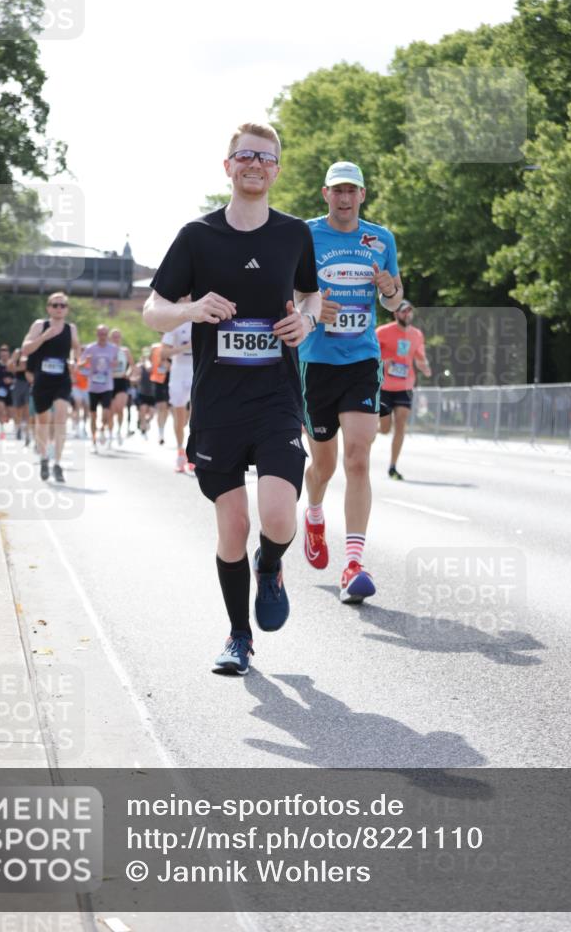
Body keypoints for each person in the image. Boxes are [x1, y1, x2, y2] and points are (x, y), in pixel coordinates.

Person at [143, 122, 320, 675]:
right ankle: (239, 636)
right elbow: (152, 310)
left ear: (277, 170)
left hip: (277, 398)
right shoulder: (197, 236)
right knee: (233, 527)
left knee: (279, 518)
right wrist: (192, 310)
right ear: (228, 166)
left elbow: (311, 294)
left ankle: (271, 565)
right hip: (217, 404)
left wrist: (307, 322)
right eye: (245, 155)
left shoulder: (294, 234)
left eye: (265, 158)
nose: (255, 164)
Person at [298, 161, 404, 604]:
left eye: (351, 191)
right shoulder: (304, 235)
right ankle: (314, 514)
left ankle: (354, 564)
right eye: (337, 190)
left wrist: (389, 289)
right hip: (316, 362)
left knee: (358, 458)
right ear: (326, 194)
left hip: (361, 358)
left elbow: (395, 299)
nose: (344, 198)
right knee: (323, 467)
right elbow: (287, 293)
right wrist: (310, 308)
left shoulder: (381, 239)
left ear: (362, 195)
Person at [21, 292, 80, 482]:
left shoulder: (71, 329)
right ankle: (44, 458)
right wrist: (43, 338)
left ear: (67, 309)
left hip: (62, 379)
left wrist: (75, 362)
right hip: (42, 379)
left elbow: (76, 348)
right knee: (43, 421)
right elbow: (25, 349)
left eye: (63, 305)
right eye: (55, 305)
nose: (59, 309)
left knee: (61, 417)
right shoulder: (40, 325)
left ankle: (58, 463)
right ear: (48, 308)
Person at [377, 300, 431, 479]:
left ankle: (393, 466)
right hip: (384, 386)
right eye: (403, 311)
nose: (407, 314)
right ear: (396, 314)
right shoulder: (382, 332)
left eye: (409, 311)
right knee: (385, 429)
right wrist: (383, 362)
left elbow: (420, 357)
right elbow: (370, 355)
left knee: (401, 424)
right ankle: (371, 431)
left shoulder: (417, 334)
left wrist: (425, 367)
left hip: (405, 386)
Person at [161, 302, 194, 472]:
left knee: (197, 416)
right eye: (184, 297)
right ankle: (181, 452)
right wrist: (185, 347)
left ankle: (194, 452)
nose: (187, 300)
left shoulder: (202, 320)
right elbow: (163, 353)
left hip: (196, 370)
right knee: (179, 416)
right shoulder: (173, 324)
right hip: (179, 371)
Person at [80, 325, 118, 452]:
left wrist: (115, 364)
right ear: (97, 334)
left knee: (106, 414)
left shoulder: (113, 348)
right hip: (93, 386)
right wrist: (86, 362)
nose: (103, 336)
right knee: (93, 415)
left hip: (107, 386)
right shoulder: (90, 348)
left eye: (105, 334)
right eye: (100, 334)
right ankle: (93, 441)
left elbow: (116, 362)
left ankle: (102, 429)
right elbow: (80, 365)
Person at [109, 328, 134, 445]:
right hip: (110, 382)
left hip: (122, 381)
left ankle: (119, 431)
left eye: (118, 336)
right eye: (114, 336)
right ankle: (110, 433)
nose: (116, 338)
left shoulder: (125, 351)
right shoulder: (107, 350)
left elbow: (132, 366)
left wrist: (128, 373)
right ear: (110, 338)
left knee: (120, 408)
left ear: (121, 338)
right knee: (111, 410)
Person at [149, 340, 171, 443]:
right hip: (158, 380)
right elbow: (148, 361)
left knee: (166, 409)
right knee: (161, 407)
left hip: (171, 380)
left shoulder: (174, 346)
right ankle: (161, 433)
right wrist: (149, 366)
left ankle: (163, 428)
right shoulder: (155, 347)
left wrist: (169, 366)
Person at [10, 348, 31, 443]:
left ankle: (27, 433)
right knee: (18, 410)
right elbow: (10, 367)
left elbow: (25, 367)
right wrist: (14, 360)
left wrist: (19, 367)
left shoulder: (32, 353)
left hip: (29, 384)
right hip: (18, 383)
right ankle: (18, 428)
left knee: (27, 410)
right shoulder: (18, 353)